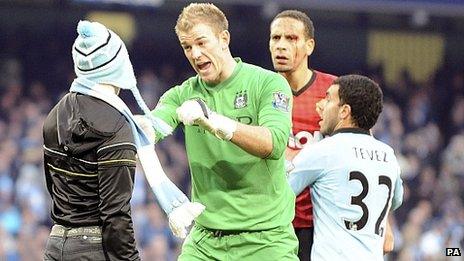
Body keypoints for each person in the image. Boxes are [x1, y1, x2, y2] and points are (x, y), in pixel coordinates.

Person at [145, 3, 298, 260]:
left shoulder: (267, 83)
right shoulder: (182, 94)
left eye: (201, 43)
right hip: (206, 241)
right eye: (187, 47)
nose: (195, 54)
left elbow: (274, 143)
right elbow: (152, 128)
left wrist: (214, 121)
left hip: (265, 239)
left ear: (223, 38)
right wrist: (140, 127)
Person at [42, 20, 202, 261]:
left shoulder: (55, 114)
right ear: (117, 67)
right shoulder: (117, 125)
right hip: (95, 250)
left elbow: (52, 188)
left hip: (55, 245)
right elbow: (115, 215)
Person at [288, 75, 404, 260]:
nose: (321, 106)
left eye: (328, 99)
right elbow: (396, 200)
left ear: (344, 111)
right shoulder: (388, 155)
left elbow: (282, 187)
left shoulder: (323, 151)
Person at [269, 10, 336, 260]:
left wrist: (386, 223)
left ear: (309, 45)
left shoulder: (334, 91)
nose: (281, 46)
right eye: (276, 38)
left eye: (291, 38)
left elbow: (361, 150)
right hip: (271, 221)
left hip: (321, 224)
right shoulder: (259, 89)